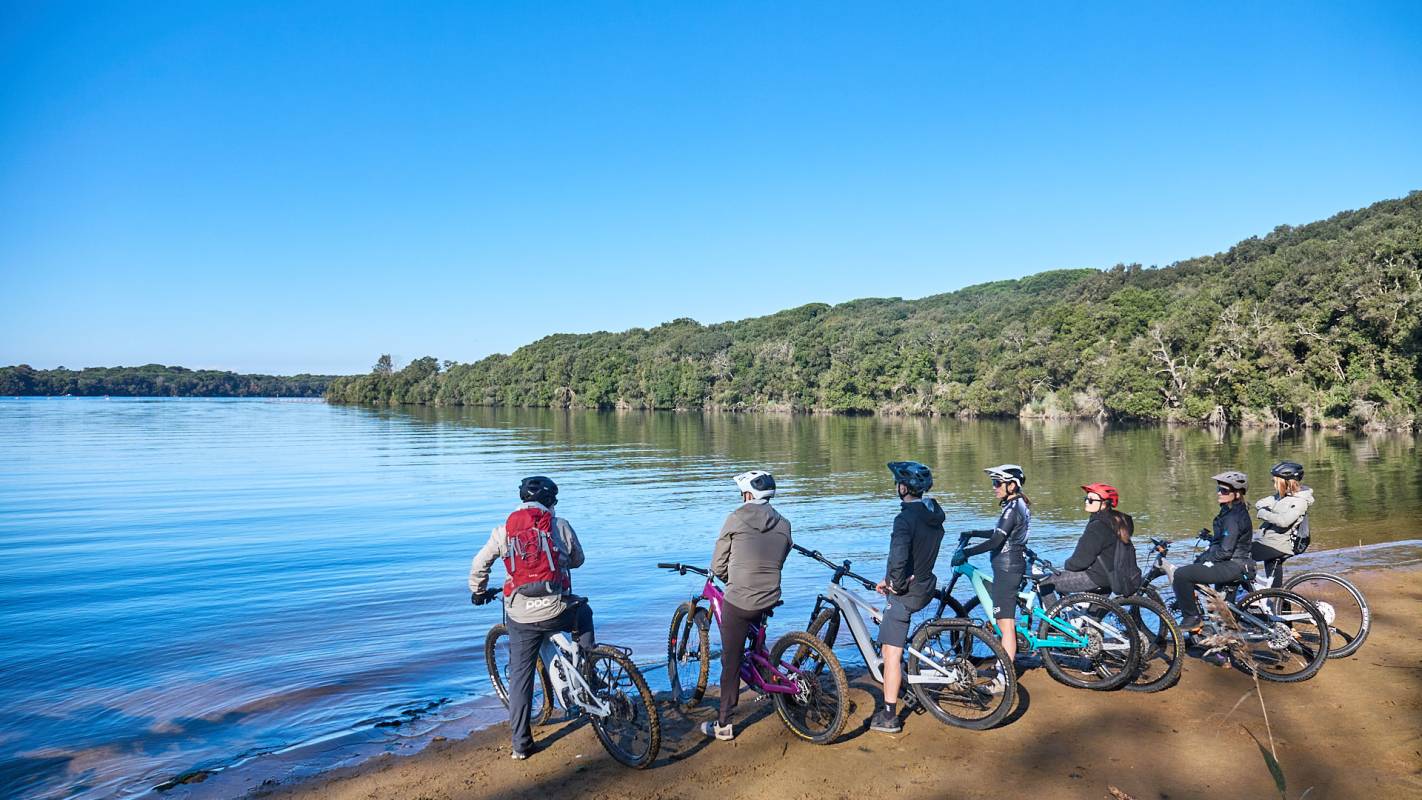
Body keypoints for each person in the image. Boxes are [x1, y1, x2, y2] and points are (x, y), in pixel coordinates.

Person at [468, 476, 594, 761]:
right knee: (584, 614)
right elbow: (578, 560)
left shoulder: (504, 531)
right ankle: (589, 672)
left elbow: (480, 564)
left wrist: (478, 591)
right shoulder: (560, 525)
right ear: (551, 502)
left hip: (521, 615)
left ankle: (521, 745)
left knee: (520, 676)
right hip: (558, 609)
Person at [702, 470, 792, 741]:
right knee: (755, 641)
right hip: (771, 594)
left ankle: (724, 724)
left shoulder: (735, 518)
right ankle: (765, 668)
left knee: (730, 660)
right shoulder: (784, 523)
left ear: (748, 495)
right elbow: (782, 556)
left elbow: (718, 566)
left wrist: (733, 578)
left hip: (740, 600)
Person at [870, 461, 945, 734]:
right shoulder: (933, 514)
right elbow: (917, 556)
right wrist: (889, 579)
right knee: (894, 645)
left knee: (891, 652)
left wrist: (895, 586)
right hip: (925, 585)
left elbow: (900, 557)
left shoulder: (904, 519)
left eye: (897, 483)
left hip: (907, 593)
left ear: (904, 487)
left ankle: (889, 715)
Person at [954, 464, 1029, 694]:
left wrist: (967, 552)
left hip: (1007, 569)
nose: (994, 487)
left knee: (1006, 626)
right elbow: (1000, 533)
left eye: (998, 483)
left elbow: (997, 542)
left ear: (1012, 485)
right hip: (1010, 566)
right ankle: (1003, 668)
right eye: (993, 483)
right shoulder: (1016, 505)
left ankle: (1003, 679)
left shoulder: (1012, 508)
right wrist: (973, 533)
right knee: (1005, 624)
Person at [1171, 471, 1253, 632]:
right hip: (1237, 564)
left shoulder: (1232, 518)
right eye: (1218, 489)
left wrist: (1206, 558)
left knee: (1181, 574)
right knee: (1221, 613)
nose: (1219, 493)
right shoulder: (1232, 511)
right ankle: (1225, 637)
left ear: (1236, 494)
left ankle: (1192, 618)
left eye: (1224, 491)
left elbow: (1225, 551)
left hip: (1233, 566)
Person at [1040, 483, 1134, 600]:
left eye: (1090, 500)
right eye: (1086, 499)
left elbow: (1080, 561)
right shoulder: (1119, 521)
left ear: (1103, 504)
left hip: (1097, 577)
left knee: (1045, 584)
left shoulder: (1097, 526)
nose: (1086, 501)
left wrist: (1067, 566)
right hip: (1113, 577)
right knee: (1091, 618)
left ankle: (1051, 617)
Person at [1251, 461, 1314, 588]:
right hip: (1270, 541)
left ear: (1286, 483)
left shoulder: (1300, 502)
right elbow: (1259, 503)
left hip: (1278, 545)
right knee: (1274, 585)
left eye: (1276, 482)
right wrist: (1269, 510)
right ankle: (1279, 603)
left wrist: (1264, 513)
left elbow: (1283, 521)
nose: (1274, 485)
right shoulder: (1282, 496)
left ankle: (1253, 596)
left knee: (1240, 555)